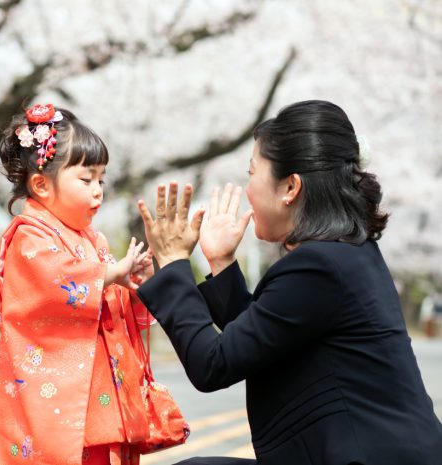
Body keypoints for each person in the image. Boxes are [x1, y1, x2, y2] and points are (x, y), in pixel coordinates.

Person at [135, 100, 442, 464]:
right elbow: (261, 340)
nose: (247, 190)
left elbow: (213, 364)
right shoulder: (346, 254)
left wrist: (172, 263)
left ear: (290, 187)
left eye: (252, 173)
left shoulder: (319, 266)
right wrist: (221, 262)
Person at [0, 103, 158, 465]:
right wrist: (107, 276)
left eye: (102, 179)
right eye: (86, 180)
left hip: (99, 396)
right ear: (41, 184)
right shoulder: (28, 237)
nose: (98, 191)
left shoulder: (95, 242)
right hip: (57, 401)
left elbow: (113, 311)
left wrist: (135, 288)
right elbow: (52, 283)